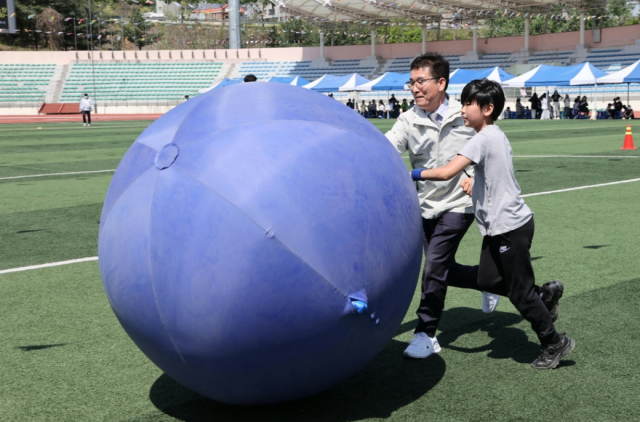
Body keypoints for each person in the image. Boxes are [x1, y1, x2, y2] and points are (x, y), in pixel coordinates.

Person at [411, 79, 573, 370]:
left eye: (467, 104)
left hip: (510, 227)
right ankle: (543, 295)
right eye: (461, 103)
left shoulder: (481, 138)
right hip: (501, 228)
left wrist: (413, 173)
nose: (461, 110)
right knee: (487, 280)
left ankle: (554, 342)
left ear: (487, 109)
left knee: (519, 293)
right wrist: (476, 180)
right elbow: (494, 169)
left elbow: (448, 171)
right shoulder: (494, 135)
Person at [385, 53, 500, 359]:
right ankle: (492, 282)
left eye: (420, 81)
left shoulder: (466, 114)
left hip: (459, 204)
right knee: (444, 269)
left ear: (441, 82)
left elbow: (491, 146)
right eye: (411, 82)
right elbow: (387, 147)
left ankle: (425, 333)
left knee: (434, 265)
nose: (414, 89)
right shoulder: (408, 119)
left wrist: (474, 173)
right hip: (423, 207)